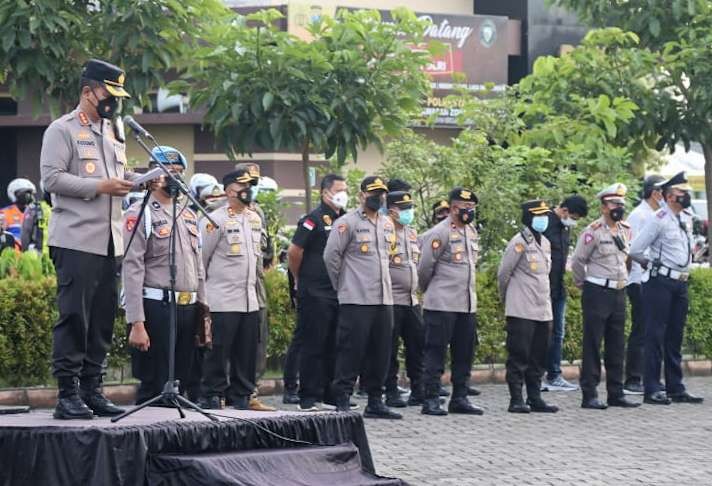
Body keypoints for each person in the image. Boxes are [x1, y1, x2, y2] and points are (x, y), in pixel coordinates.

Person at [40, 59, 134, 419]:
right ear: (87, 91)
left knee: (101, 319)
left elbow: (119, 175)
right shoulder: (61, 130)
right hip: (76, 239)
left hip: (111, 241)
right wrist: (100, 187)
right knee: (74, 317)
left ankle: (93, 389)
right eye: (108, 94)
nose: (113, 102)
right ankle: (67, 394)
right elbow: (53, 179)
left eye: (117, 96)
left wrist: (138, 179)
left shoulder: (115, 131)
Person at [122, 146, 206, 404]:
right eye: (169, 172)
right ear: (154, 174)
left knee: (179, 382)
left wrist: (204, 310)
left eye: (180, 173)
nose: (175, 178)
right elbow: (132, 267)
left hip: (188, 308)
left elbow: (199, 266)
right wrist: (137, 322)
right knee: (153, 385)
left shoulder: (189, 214)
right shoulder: (141, 212)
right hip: (156, 307)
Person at [324, 176, 402, 419]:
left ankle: (375, 400)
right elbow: (331, 257)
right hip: (356, 298)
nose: (377, 198)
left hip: (383, 299)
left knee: (381, 351)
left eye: (381, 194)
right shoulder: (346, 223)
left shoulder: (388, 223)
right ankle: (343, 398)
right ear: (361, 195)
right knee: (351, 350)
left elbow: (387, 259)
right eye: (373, 193)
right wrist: (344, 286)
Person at [629, 171, 704, 406]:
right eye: (683, 193)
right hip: (659, 282)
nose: (687, 196)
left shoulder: (686, 218)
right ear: (671, 196)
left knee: (675, 336)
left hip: (680, 282)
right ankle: (652, 387)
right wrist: (651, 265)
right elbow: (635, 249)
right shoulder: (658, 218)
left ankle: (675, 387)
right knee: (655, 334)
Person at [196, 168, 263, 410]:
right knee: (218, 350)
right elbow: (201, 260)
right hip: (221, 298)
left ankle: (242, 394)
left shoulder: (254, 219)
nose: (248, 191)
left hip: (248, 299)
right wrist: (202, 298)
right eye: (243, 186)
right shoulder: (214, 220)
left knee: (246, 350)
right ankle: (212, 393)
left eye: (250, 186)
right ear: (229, 191)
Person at [571, 183, 640, 410]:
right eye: (613, 203)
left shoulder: (625, 229)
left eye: (620, 203)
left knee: (616, 344)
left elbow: (626, 259)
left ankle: (616, 393)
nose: (618, 207)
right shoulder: (593, 231)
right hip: (597, 291)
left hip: (619, 291)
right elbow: (579, 261)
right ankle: (589, 394)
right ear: (603, 207)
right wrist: (583, 284)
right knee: (593, 344)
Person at [418, 187, 484, 416]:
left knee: (464, 353)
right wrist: (428, 291)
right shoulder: (440, 232)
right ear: (454, 208)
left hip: (466, 304)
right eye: (465, 208)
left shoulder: (471, 231)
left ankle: (460, 397)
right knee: (435, 353)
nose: (469, 212)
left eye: (472, 208)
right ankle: (431, 399)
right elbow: (424, 267)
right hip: (442, 303)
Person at [286, 174, 348, 410]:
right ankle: (308, 396)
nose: (344, 193)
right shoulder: (312, 219)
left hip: (338, 291)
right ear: (325, 193)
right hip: (315, 291)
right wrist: (301, 279)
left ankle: (330, 395)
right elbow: (294, 252)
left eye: (346, 189)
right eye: (339, 189)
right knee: (313, 343)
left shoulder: (345, 218)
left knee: (335, 343)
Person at [498, 200, 559, 414]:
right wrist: (508, 300)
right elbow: (504, 274)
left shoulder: (546, 243)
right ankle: (516, 398)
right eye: (538, 215)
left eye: (545, 215)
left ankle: (535, 397)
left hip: (543, 309)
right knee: (519, 355)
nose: (543, 219)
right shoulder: (519, 242)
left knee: (539, 356)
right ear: (528, 218)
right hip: (521, 308)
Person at [233, 162, 275, 412]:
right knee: (228, 341)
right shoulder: (219, 211)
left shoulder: (258, 213)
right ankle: (227, 392)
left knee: (257, 341)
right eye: (247, 183)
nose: (251, 189)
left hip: (255, 285)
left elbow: (267, 253)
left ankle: (250, 392)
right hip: (229, 288)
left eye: (254, 184)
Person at [383, 184, 425, 408]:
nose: (409, 212)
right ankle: (390, 391)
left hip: (411, 300)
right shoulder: (383, 231)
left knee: (417, 346)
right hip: (391, 300)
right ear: (391, 210)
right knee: (389, 349)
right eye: (404, 208)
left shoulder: (411, 233)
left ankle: (419, 389)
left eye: (410, 207)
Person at [623, 175, 665, 395]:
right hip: (639, 279)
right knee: (641, 328)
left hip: (654, 280)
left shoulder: (659, 214)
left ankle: (651, 378)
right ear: (653, 192)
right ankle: (632, 378)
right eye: (662, 191)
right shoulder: (639, 215)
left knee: (654, 329)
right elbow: (632, 248)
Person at [542, 195, 588, 392]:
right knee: (542, 334)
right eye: (574, 217)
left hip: (558, 289)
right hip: (542, 289)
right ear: (565, 210)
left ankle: (554, 374)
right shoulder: (544, 223)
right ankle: (538, 375)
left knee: (558, 333)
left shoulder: (564, 227)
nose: (574, 222)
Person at [1, 178, 36, 244]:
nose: (30, 197)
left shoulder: (36, 213)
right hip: (12, 252)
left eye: (31, 193)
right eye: (27, 193)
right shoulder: (5, 213)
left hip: (31, 252)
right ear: (15, 194)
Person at [21, 182, 52, 254]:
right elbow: (26, 232)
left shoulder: (62, 209)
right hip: (38, 254)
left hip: (57, 255)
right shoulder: (34, 208)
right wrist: (25, 253)